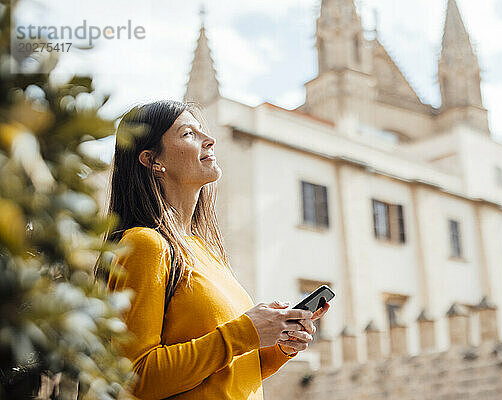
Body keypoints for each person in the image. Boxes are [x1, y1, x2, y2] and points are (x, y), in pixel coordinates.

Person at [99, 100, 330, 399]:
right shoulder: (145, 243)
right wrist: (246, 331)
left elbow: (223, 374)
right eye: (187, 134)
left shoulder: (206, 253)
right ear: (152, 159)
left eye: (201, 131)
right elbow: (134, 378)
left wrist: (279, 346)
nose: (210, 140)